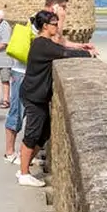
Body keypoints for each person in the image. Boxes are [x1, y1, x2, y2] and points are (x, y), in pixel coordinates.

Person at [17, 10, 94, 187]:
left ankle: (25, 164)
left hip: (38, 95)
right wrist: (88, 54)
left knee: (44, 133)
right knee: (32, 133)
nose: (57, 26)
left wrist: (82, 46)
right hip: (33, 95)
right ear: (45, 26)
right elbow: (63, 54)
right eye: (54, 23)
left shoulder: (43, 43)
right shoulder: (42, 44)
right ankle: (23, 173)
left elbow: (61, 48)